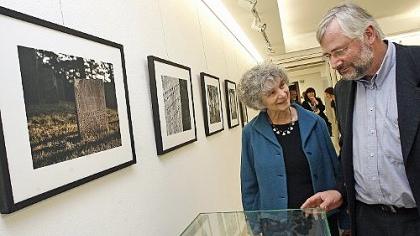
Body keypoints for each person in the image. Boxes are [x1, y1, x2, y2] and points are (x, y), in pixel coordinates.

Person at [301, 3, 420, 236]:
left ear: (368, 34)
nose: (334, 63)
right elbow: (350, 150)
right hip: (366, 222)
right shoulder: (343, 90)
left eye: (339, 51)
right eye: (328, 55)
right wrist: (341, 191)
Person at [238, 63, 346, 236]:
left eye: (282, 85)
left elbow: (335, 170)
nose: (282, 94)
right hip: (276, 224)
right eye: (271, 93)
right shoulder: (251, 133)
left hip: (318, 218)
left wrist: (344, 219)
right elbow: (249, 184)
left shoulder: (315, 123)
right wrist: (255, 226)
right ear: (259, 101)